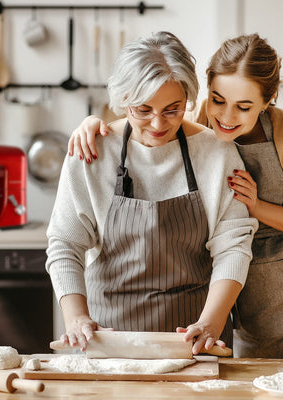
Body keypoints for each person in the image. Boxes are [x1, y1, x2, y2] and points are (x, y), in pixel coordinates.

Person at [68, 33, 283, 358]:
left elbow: (234, 242)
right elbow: (147, 113)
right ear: (205, 90)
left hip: (269, 281)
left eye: (244, 107)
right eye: (218, 100)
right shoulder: (195, 127)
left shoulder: (268, 136)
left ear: (268, 102)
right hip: (223, 283)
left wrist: (256, 206)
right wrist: (93, 124)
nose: (225, 117)